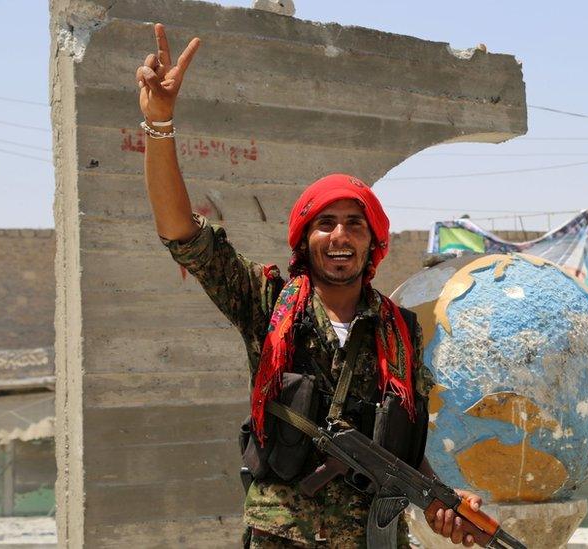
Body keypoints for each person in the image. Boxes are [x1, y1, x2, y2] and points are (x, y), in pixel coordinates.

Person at [135, 23, 481, 548]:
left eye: (355, 223)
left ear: (372, 244)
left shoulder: (401, 332)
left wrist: (439, 500)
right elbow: (181, 233)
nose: (340, 235)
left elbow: (401, 449)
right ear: (305, 239)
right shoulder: (270, 304)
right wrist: (159, 124)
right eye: (325, 222)